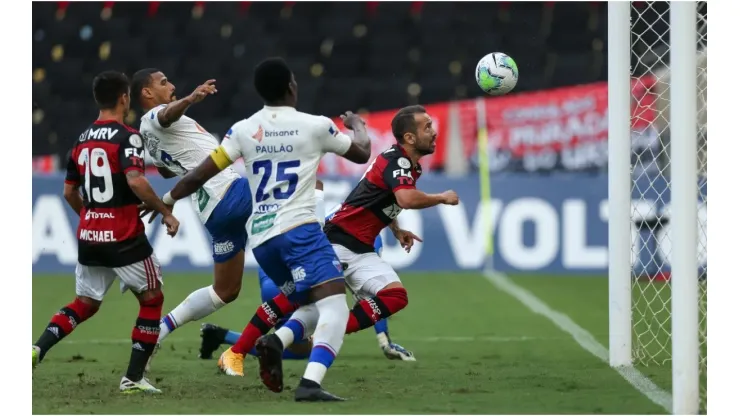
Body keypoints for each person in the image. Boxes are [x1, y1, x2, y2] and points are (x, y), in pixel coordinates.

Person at [155, 57, 371, 401]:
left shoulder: (243, 129)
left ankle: (267, 341)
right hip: (301, 230)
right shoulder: (314, 125)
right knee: (334, 306)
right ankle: (309, 384)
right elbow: (361, 154)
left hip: (262, 238)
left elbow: (200, 174)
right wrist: (358, 125)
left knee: (304, 299)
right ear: (291, 87)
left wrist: (167, 199)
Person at [260, 105, 458, 364]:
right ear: (409, 138)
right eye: (427, 127)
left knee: (394, 296)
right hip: (339, 242)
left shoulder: (405, 164)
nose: (434, 132)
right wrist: (442, 197)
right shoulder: (397, 161)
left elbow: (379, 198)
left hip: (359, 248)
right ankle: (245, 348)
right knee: (303, 303)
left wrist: (396, 229)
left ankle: (293, 338)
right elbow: (406, 198)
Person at [31, 71, 180, 394]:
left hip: (89, 236)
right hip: (124, 236)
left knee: (84, 302)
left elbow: (69, 192)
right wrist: (165, 211)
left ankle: (36, 349)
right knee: (152, 298)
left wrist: (90, 218)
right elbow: (136, 181)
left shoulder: (81, 140)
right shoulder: (128, 137)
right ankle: (134, 377)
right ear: (125, 98)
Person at [199, 182, 416, 362]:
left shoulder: (344, 214)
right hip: (301, 270)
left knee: (298, 331)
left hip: (275, 264)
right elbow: (371, 298)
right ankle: (233, 345)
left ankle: (225, 340)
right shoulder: (364, 243)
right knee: (300, 346)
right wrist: (384, 341)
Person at [131, 69, 253, 371]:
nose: (170, 85)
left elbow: (165, 171)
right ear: (147, 94)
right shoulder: (153, 117)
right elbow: (166, 116)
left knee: (225, 291)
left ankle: (159, 331)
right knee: (304, 182)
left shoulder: (148, 137)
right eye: (162, 83)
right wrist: (190, 98)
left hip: (213, 212)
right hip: (230, 191)